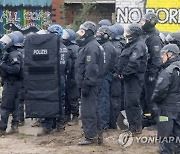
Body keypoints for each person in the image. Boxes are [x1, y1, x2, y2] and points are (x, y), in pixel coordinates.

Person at [75, 21, 104, 145]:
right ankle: (96, 135)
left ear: (88, 33)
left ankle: (91, 137)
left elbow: (91, 68)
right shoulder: (90, 45)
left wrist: (86, 84)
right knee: (93, 110)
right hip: (91, 84)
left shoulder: (91, 47)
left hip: (90, 85)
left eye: (82, 32)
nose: (80, 35)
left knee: (88, 111)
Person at [118, 23, 148, 135]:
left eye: (129, 32)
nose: (127, 34)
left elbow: (134, 63)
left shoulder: (139, 45)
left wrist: (124, 73)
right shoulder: (131, 44)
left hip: (134, 78)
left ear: (135, 33)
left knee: (133, 103)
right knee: (128, 103)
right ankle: (132, 126)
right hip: (128, 78)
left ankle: (136, 127)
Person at [151, 44, 180, 154]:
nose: (161, 57)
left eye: (163, 54)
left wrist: (155, 101)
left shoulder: (168, 71)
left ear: (170, 55)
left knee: (164, 134)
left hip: (165, 110)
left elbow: (160, 90)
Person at [140, 12, 163, 128]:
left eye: (143, 21)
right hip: (145, 72)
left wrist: (153, 74)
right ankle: (147, 118)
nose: (141, 23)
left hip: (151, 73)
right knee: (144, 97)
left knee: (152, 97)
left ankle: (155, 121)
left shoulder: (154, 38)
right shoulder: (145, 35)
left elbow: (157, 59)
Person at [0, 31, 24, 135]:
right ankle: (14, 127)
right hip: (15, 84)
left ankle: (2, 129)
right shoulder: (12, 53)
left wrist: (1, 64)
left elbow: (15, 69)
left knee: (5, 107)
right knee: (15, 107)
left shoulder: (14, 55)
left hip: (12, 84)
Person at [96, 26, 116, 130]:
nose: (98, 35)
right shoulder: (104, 45)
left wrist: (98, 76)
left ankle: (103, 124)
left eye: (100, 33)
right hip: (103, 76)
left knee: (103, 100)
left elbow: (105, 65)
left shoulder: (107, 47)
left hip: (105, 76)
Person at [62, 28, 80, 126]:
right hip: (66, 75)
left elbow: (76, 64)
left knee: (73, 97)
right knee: (66, 97)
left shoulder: (74, 48)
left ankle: (75, 116)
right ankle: (67, 115)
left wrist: (74, 76)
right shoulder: (65, 47)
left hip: (72, 76)